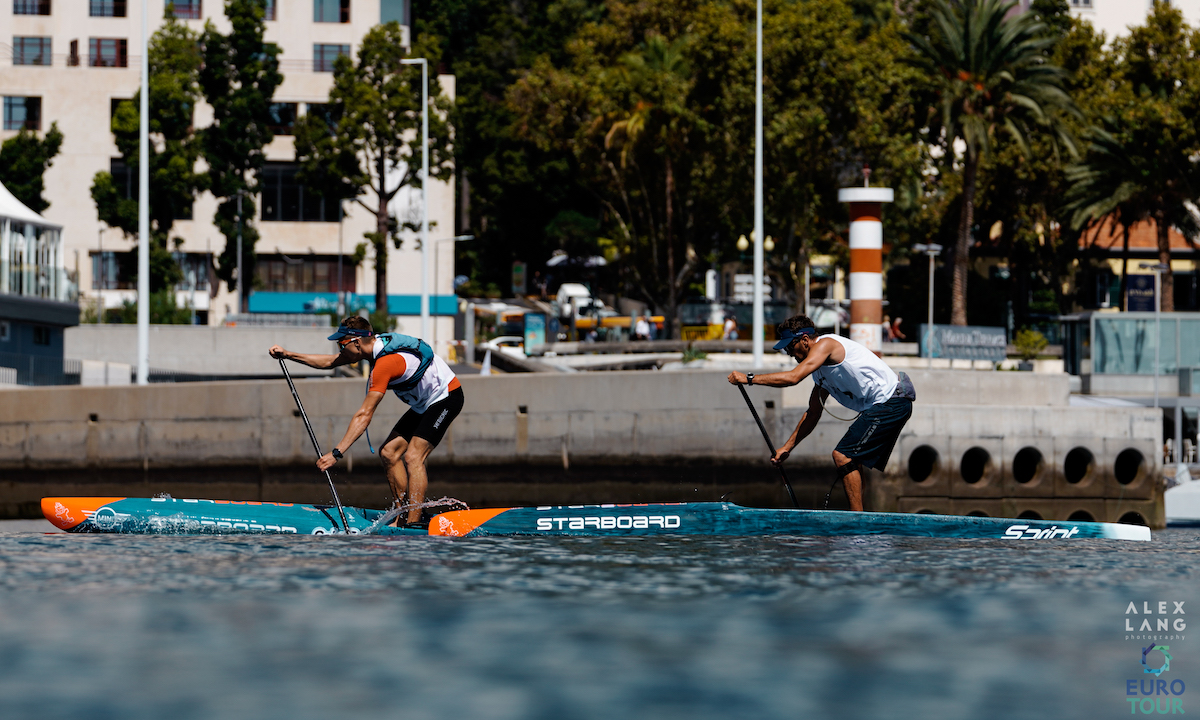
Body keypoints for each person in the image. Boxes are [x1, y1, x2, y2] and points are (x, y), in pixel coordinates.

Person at [269, 316, 464, 526]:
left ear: (356, 342)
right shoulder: (370, 348)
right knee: (389, 453)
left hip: (446, 397)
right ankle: (400, 517)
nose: (340, 350)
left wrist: (337, 453)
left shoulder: (385, 364)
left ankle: (413, 523)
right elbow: (328, 362)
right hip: (422, 405)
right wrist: (288, 354)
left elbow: (364, 414)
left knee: (413, 456)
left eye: (341, 344)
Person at [726, 314, 915, 511]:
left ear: (805, 340)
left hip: (893, 401)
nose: (789, 353)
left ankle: (857, 520)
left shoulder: (826, 345)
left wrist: (749, 378)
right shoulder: (820, 372)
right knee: (851, 458)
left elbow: (793, 378)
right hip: (886, 405)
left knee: (843, 455)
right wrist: (787, 448)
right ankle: (860, 518)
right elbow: (813, 412)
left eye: (791, 346)